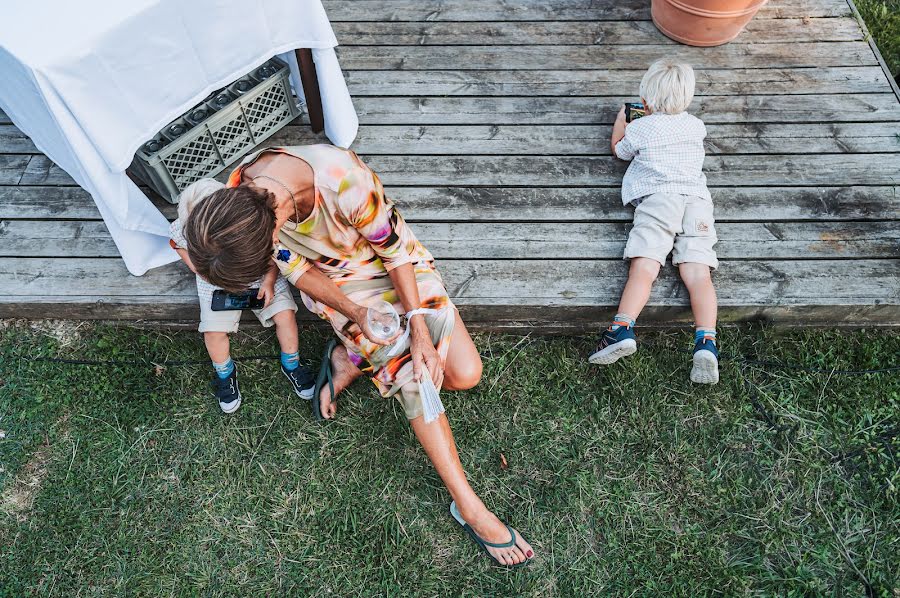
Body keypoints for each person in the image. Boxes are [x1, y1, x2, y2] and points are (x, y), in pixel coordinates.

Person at [182, 145, 535, 567]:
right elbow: (298, 269)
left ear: (269, 232)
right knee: (413, 375)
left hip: (393, 266)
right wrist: (356, 313)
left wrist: (418, 328)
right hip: (339, 288)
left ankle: (352, 357)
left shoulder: (342, 180)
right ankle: (471, 508)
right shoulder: (242, 199)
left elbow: (395, 251)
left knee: (465, 374)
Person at [589, 57, 720, 384]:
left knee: (646, 266)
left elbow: (619, 150)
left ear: (645, 101)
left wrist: (623, 120)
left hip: (661, 201)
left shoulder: (641, 127)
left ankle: (620, 330)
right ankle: (707, 342)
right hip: (697, 202)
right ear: (687, 98)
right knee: (698, 273)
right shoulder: (695, 126)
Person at [169, 179, 316, 413]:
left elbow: (273, 253)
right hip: (215, 280)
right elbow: (176, 244)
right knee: (213, 331)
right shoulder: (183, 227)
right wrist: (199, 268)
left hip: (259, 273)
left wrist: (268, 281)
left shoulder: (250, 225)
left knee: (285, 315)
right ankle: (224, 372)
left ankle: (292, 362)